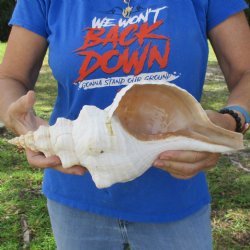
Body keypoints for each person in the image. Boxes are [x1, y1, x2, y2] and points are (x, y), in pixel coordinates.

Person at [0, 0, 250, 249]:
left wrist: (232, 120)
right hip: (77, 194)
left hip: (176, 198)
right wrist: (21, 121)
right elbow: (10, 77)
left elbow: (245, 72)